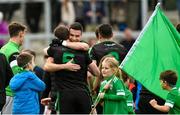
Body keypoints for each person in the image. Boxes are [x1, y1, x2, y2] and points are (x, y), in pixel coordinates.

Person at [44, 22, 100, 114]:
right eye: (71, 35)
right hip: (81, 94)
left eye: (77, 36)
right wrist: (66, 66)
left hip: (66, 95)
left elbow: (47, 65)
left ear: (81, 35)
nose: (74, 38)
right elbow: (97, 72)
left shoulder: (56, 48)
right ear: (67, 34)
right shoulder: (83, 51)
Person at [89, 23, 127, 114]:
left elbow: (91, 72)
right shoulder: (122, 48)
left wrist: (92, 89)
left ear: (99, 36)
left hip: (102, 87)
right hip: (120, 85)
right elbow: (126, 71)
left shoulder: (94, 48)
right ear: (112, 35)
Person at [0, 22, 27, 114]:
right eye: (24, 36)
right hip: (10, 94)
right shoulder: (14, 52)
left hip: (3, 92)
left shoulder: (3, 48)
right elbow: (16, 74)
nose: (24, 39)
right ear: (20, 34)